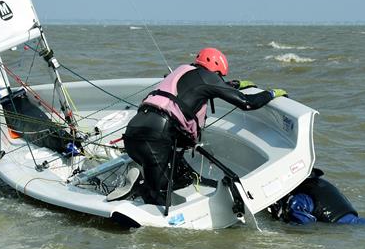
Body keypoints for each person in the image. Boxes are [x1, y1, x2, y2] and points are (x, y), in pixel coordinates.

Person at [122, 47, 288, 206]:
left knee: (180, 177)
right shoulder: (208, 77)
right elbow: (247, 103)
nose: (219, 80)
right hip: (156, 137)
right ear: (216, 71)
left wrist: (234, 85)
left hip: (133, 132)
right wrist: (271, 93)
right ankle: (143, 192)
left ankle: (139, 181)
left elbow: (198, 89)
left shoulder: (184, 71)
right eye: (219, 77)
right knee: (158, 195)